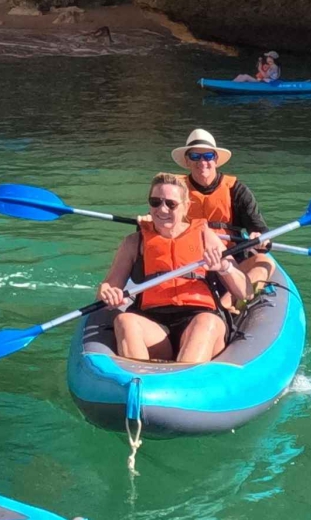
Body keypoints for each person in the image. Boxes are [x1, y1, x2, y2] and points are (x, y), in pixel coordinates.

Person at [97, 173, 250, 363]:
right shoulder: (134, 242)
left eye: (171, 204)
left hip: (199, 317)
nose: (162, 209)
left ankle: (185, 381)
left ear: (186, 206)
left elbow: (245, 292)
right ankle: (141, 381)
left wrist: (223, 267)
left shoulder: (205, 236)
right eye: (155, 202)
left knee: (206, 323)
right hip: (154, 324)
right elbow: (109, 286)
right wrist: (107, 292)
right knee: (124, 321)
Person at [172, 129, 274, 290]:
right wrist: (146, 222)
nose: (202, 162)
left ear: (216, 159)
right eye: (195, 156)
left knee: (264, 263)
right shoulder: (175, 190)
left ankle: (229, 302)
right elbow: (157, 223)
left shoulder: (237, 190)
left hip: (230, 257)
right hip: (189, 260)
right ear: (187, 161)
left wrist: (260, 238)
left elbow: (258, 228)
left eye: (208, 156)